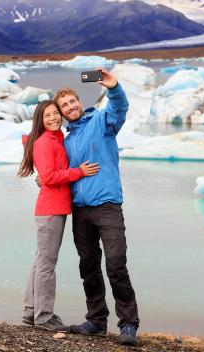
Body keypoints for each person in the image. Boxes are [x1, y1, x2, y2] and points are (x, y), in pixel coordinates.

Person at [54, 68, 140, 346]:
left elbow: (120, 109)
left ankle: (128, 325)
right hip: (80, 210)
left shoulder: (102, 121)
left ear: (79, 102)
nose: (70, 107)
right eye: (64, 106)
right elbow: (64, 172)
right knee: (88, 265)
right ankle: (96, 321)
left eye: (72, 101)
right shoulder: (67, 142)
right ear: (62, 113)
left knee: (116, 264)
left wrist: (114, 88)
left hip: (107, 205)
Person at [18, 100, 100, 332]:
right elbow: (50, 176)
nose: (54, 118)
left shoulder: (57, 138)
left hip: (56, 208)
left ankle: (30, 311)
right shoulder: (44, 143)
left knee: (40, 260)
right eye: (48, 116)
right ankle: (44, 317)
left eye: (56, 113)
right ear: (40, 121)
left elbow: (48, 175)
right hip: (51, 209)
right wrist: (79, 172)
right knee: (47, 264)